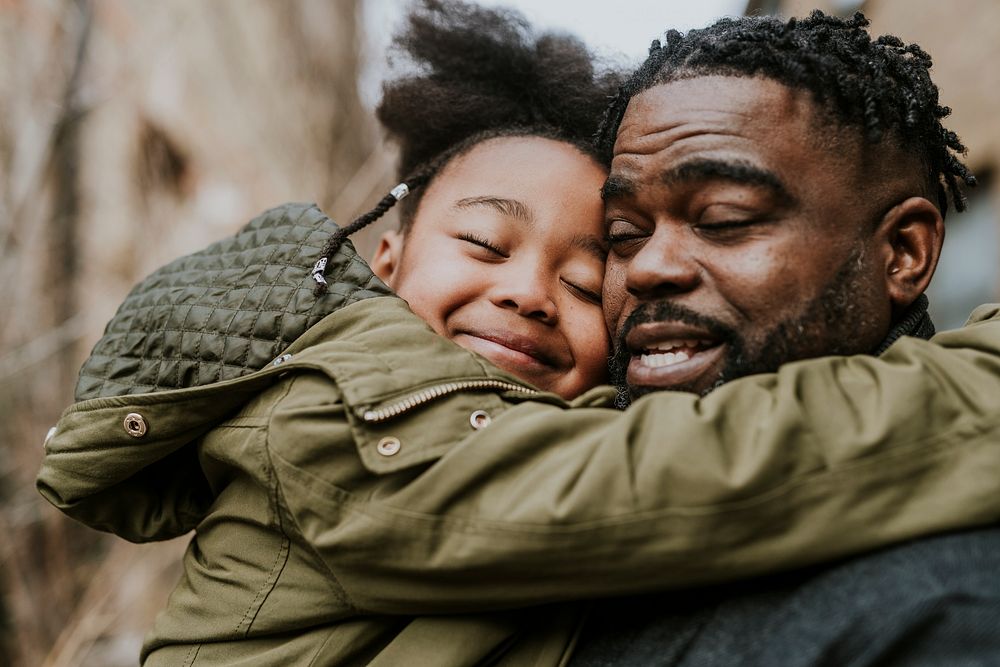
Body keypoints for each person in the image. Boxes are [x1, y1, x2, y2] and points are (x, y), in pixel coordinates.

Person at [36, 3, 1000, 666]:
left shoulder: (933, 606)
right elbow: (675, 472)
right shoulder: (336, 408)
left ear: (906, 253)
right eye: (483, 242)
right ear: (386, 257)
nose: (533, 293)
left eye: (589, 272)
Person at [565, 11, 1000, 665]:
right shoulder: (566, 548)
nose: (649, 267)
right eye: (624, 234)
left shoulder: (942, 608)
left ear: (902, 253)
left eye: (724, 218)